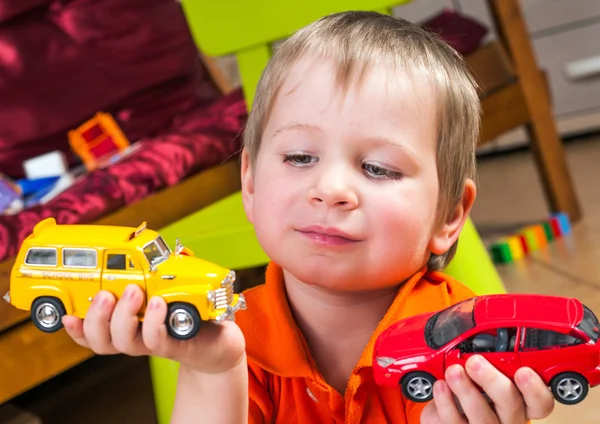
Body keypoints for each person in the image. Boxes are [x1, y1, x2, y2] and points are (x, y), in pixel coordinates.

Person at [62, 11, 555, 423]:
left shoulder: (464, 340)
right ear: (250, 183)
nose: (330, 191)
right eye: (300, 158)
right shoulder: (234, 337)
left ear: (449, 216)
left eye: (378, 168)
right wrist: (212, 372)